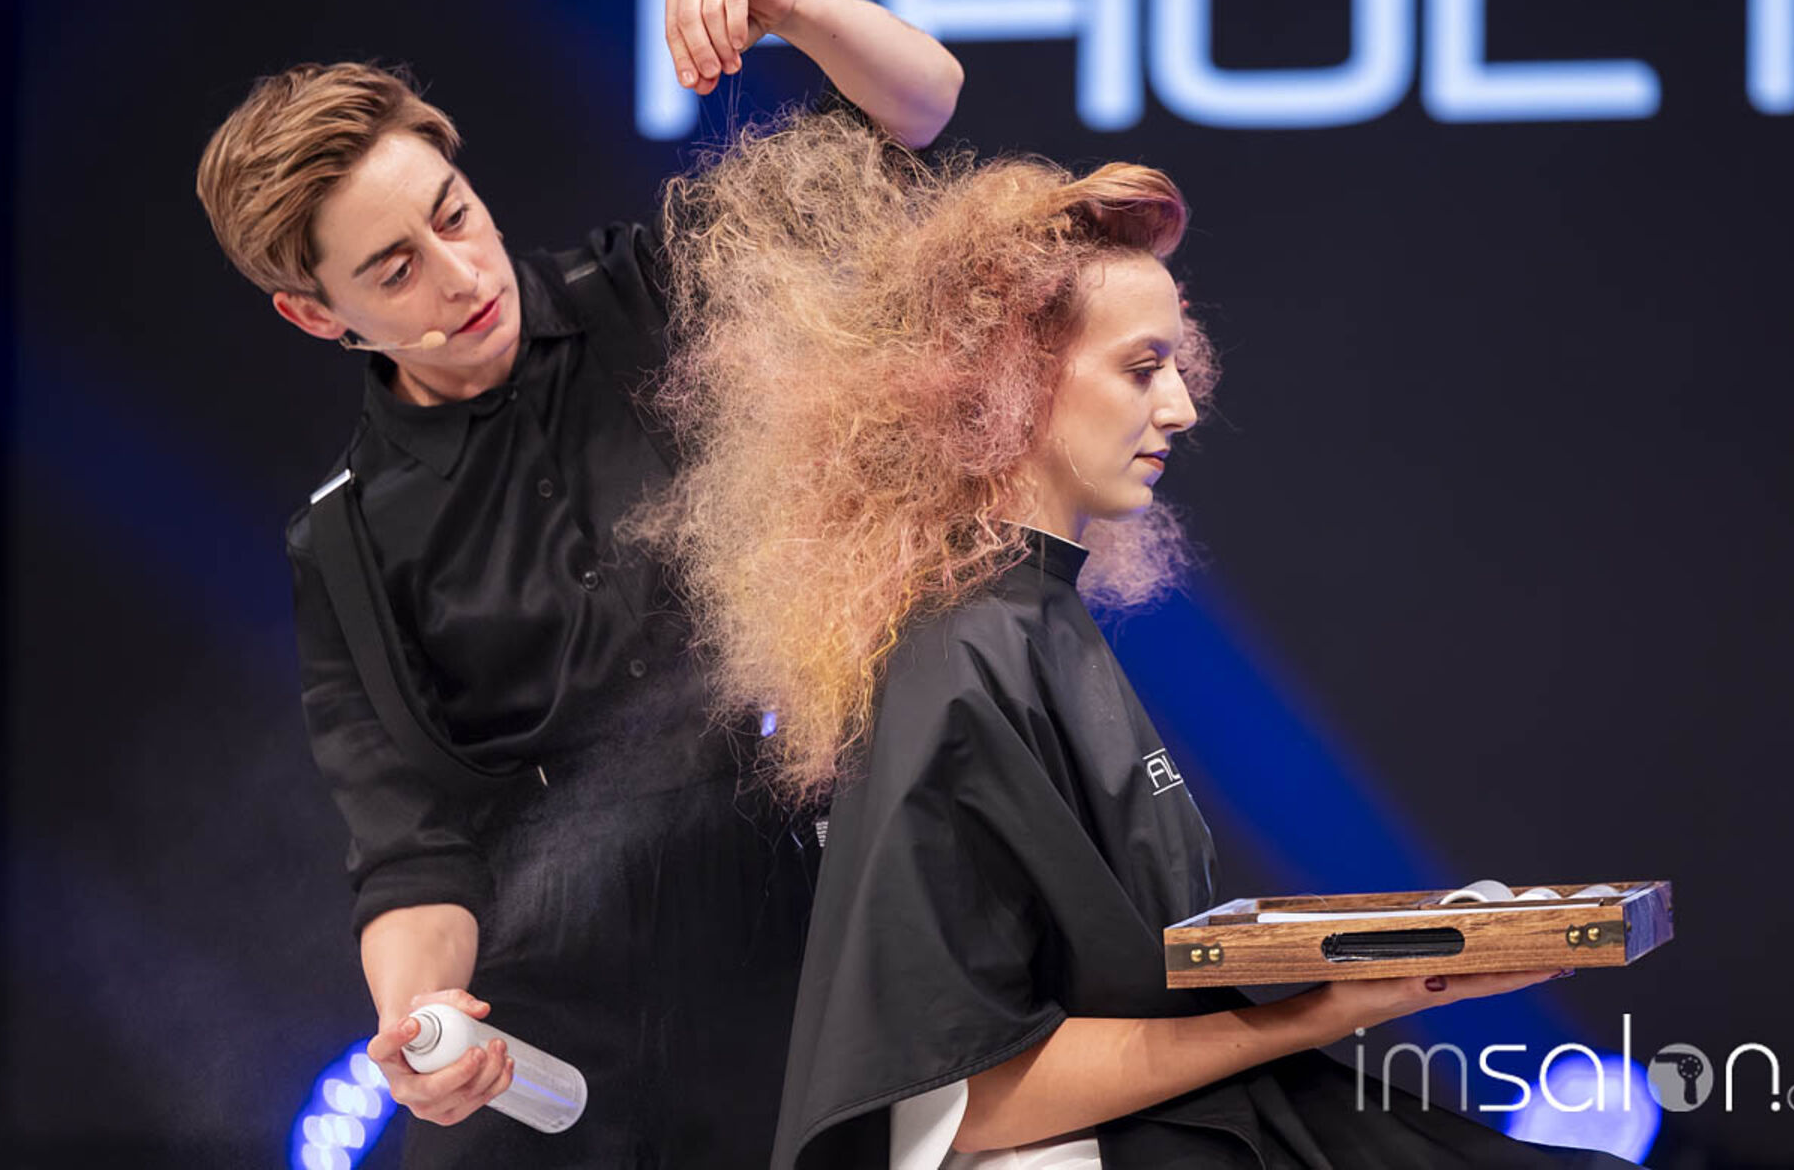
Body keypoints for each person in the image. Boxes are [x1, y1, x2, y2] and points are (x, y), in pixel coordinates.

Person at [636, 111, 1639, 1169]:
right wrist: (1320, 1008)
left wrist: (1390, 951)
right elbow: (963, 1106)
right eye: (1143, 367)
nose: (1185, 407)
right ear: (1007, 378)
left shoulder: (1033, 620)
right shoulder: (957, 662)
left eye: (1177, 365)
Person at [195, 0, 962, 1167]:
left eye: (454, 214)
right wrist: (420, 1016)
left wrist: (793, 10)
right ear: (317, 314)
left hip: (819, 949)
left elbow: (917, 105)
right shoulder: (346, 541)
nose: (461, 275)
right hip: (571, 1037)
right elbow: (412, 845)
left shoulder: (665, 293)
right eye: (393, 269)